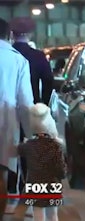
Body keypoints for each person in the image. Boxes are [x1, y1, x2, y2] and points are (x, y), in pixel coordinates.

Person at [0, 18, 34, 220]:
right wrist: (30, 135)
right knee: (4, 170)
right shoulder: (18, 60)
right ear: (9, 35)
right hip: (7, 121)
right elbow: (25, 102)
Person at [13, 103, 65, 221]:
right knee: (53, 214)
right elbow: (61, 169)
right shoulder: (55, 146)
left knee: (38, 214)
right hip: (53, 186)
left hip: (34, 186)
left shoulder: (28, 146)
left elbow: (17, 149)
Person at [10, 17, 54, 105]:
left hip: (7, 107)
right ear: (30, 34)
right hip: (32, 106)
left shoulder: (6, 55)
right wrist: (44, 103)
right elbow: (48, 80)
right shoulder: (38, 56)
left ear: (12, 35)